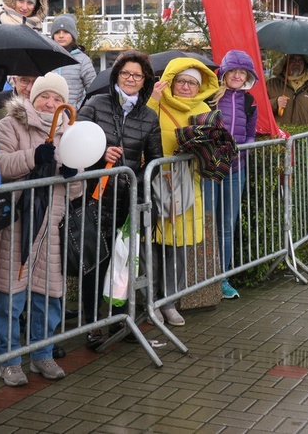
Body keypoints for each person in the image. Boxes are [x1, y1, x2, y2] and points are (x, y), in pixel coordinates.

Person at [0, 73, 73, 387]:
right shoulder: (9, 124)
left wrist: (74, 174)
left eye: (57, 99)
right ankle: (9, 358)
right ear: (33, 97)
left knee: (48, 297)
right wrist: (33, 157)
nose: (50, 103)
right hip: (16, 225)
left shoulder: (69, 133)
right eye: (45, 96)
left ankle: (42, 353)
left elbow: (77, 191)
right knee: (9, 298)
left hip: (49, 228)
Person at [76, 50, 163, 348]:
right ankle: (91, 325)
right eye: (126, 73)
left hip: (128, 203)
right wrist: (101, 155)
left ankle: (117, 319)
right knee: (94, 264)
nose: (131, 79)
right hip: (94, 198)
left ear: (145, 81)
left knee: (123, 263)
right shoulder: (95, 104)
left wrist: (136, 181)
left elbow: (155, 161)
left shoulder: (150, 116)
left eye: (137, 75)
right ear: (116, 76)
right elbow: (75, 142)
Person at [147, 58, 219, 326]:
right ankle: (150, 302)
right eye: (182, 81)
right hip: (154, 181)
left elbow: (215, 152)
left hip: (188, 183)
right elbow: (141, 128)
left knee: (178, 247)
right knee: (152, 245)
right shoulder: (156, 102)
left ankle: (170, 301)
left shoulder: (204, 110)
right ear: (172, 81)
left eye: (192, 82)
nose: (186, 86)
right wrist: (154, 98)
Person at [203, 50, 258, 300]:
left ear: (248, 76)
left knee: (226, 227)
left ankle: (222, 278)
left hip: (236, 170)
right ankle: (202, 278)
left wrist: (242, 147)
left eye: (242, 72)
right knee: (206, 225)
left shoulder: (250, 101)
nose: (237, 75)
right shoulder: (209, 98)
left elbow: (250, 134)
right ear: (223, 72)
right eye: (233, 71)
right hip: (209, 170)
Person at [50, 14, 97, 108]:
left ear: (73, 35)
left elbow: (93, 89)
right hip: (48, 113)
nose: (61, 36)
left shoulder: (83, 60)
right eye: (57, 32)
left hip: (73, 116)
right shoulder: (47, 57)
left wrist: (79, 108)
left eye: (66, 32)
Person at [266, 54, 308, 126]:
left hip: (303, 137)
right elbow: (257, 108)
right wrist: (275, 103)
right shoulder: (270, 85)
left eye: (300, 60)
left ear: (306, 64)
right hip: (276, 136)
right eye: (293, 60)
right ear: (286, 62)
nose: (296, 63)